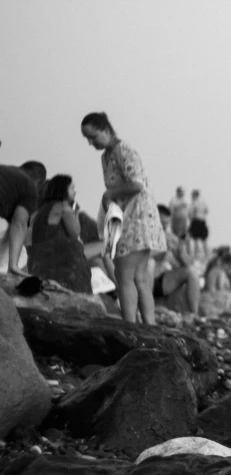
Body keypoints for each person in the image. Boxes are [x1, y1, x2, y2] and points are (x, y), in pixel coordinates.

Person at [81, 112, 166, 324]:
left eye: (93, 136)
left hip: (137, 218)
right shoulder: (106, 156)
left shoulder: (123, 150)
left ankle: (132, 327)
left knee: (124, 276)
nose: (91, 143)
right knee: (139, 277)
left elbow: (137, 184)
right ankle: (150, 325)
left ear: (106, 130)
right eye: (87, 139)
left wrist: (109, 194)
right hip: (127, 218)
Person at [151, 205, 200, 314]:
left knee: (191, 273)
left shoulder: (169, 237)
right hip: (145, 278)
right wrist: (163, 249)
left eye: (166, 223)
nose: (163, 226)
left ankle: (194, 313)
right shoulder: (144, 235)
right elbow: (144, 257)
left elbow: (188, 264)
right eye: (161, 222)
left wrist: (181, 254)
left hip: (161, 281)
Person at [0, 163, 43, 275]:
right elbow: (20, 223)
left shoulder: (5, 170)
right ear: (38, 182)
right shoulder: (29, 187)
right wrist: (13, 265)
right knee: (21, 254)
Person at [30, 174, 80, 243]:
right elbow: (75, 234)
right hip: (57, 250)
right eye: (72, 188)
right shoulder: (64, 207)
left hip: (37, 251)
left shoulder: (42, 209)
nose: (75, 192)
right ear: (64, 190)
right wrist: (75, 213)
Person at [188, 189, 209, 259]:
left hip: (196, 221)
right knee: (203, 240)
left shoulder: (194, 203)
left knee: (196, 239)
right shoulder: (203, 202)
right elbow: (206, 211)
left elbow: (190, 214)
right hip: (202, 221)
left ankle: (196, 256)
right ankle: (206, 255)